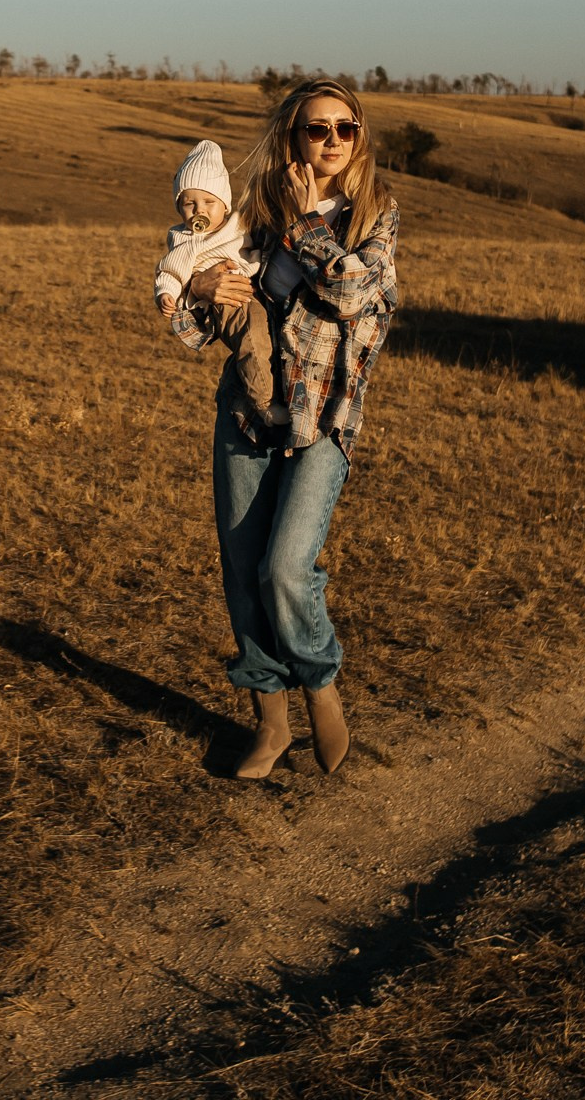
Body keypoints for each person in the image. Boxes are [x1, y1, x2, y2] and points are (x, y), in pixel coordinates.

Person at [172, 78, 398, 779]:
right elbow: (191, 325)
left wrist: (305, 225)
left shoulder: (375, 218)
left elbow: (353, 295)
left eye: (344, 129)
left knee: (284, 568)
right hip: (246, 413)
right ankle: (270, 722)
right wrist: (199, 291)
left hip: (325, 418)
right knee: (244, 576)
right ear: (293, 136)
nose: (331, 141)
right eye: (315, 129)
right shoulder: (254, 212)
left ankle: (321, 687)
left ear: (360, 135)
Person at [153, 139, 275, 422]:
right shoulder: (186, 240)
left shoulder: (239, 223)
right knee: (252, 336)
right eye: (189, 204)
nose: (199, 210)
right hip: (228, 303)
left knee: (263, 335)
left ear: (224, 204)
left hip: (251, 287)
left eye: (209, 202)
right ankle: (263, 401)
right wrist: (166, 293)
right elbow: (170, 271)